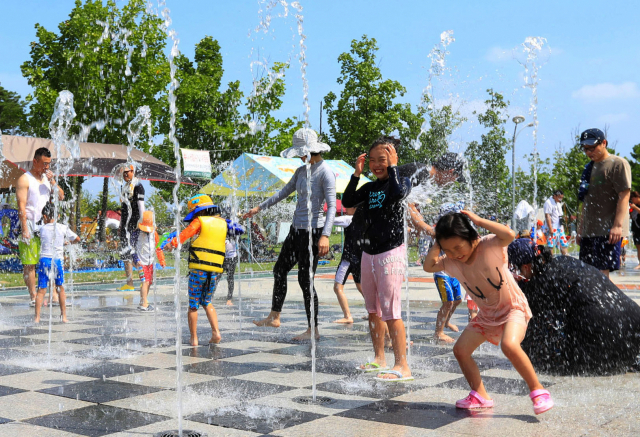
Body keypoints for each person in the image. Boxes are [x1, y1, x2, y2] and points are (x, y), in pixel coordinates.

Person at [423, 211, 553, 415]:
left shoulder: (488, 245)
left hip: (513, 308)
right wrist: (438, 243)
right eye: (448, 250)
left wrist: (478, 221)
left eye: (458, 247)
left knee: (509, 345)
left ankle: (538, 390)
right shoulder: (452, 262)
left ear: (471, 236)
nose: (456, 254)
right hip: (487, 316)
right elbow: (428, 266)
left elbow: (509, 235)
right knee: (460, 350)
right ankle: (480, 394)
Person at [243, 128, 336, 341]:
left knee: (305, 279)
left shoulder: (325, 172)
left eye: (302, 153)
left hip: (314, 232)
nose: (301, 157)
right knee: (279, 270)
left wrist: (326, 235)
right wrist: (259, 208)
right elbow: (282, 193)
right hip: (296, 229)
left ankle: (313, 330)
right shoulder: (302, 171)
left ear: (311, 150)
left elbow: (331, 206)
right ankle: (275, 316)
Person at [507, 238, 640, 375]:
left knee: (548, 365)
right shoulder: (562, 261)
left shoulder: (539, 284)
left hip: (607, 334)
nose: (514, 275)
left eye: (514, 269)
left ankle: (612, 360)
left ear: (525, 267)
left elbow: (526, 328)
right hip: (634, 325)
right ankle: (621, 359)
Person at [343, 136, 413, 382]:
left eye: (381, 159)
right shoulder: (370, 187)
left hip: (390, 253)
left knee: (391, 311)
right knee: (373, 310)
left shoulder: (400, 181)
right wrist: (356, 174)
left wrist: (393, 168)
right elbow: (348, 200)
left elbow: (396, 195)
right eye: (372, 160)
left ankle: (402, 365)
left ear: (392, 159)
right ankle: (379, 358)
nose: (376, 164)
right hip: (368, 253)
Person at [165, 194, 244, 346]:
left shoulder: (198, 222)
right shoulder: (223, 223)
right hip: (215, 271)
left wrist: (171, 244)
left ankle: (194, 338)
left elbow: (184, 235)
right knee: (207, 301)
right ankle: (216, 332)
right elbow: (239, 230)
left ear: (199, 212)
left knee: (193, 305)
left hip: (198, 270)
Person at [577, 128, 631, 278]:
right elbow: (586, 201)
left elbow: (624, 195)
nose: (588, 152)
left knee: (602, 274)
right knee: (588, 273)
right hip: (589, 230)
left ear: (604, 143)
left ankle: (606, 302)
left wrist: (617, 226)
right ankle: (594, 302)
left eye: (592, 148)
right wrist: (581, 229)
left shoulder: (617, 164)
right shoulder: (588, 168)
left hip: (607, 229)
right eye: (585, 149)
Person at [16, 148, 64, 306]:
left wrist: (53, 182)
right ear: (35, 161)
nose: (47, 167)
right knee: (30, 263)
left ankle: (53, 296)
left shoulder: (47, 179)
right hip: (29, 223)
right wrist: (24, 229)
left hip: (46, 226)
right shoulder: (25, 179)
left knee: (49, 260)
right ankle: (33, 296)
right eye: (44, 164)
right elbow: (21, 206)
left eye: (49, 164)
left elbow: (61, 196)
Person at [34, 202, 80, 323]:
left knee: (41, 290)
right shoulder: (62, 227)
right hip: (57, 261)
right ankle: (64, 317)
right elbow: (77, 239)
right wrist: (67, 243)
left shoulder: (41, 228)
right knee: (60, 288)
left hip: (44, 260)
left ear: (44, 216)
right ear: (57, 216)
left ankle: (37, 318)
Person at [329, 206, 365, 324]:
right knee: (362, 288)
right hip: (360, 259)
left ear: (354, 208)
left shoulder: (348, 219)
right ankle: (374, 312)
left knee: (337, 288)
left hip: (347, 260)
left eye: (348, 206)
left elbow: (329, 220)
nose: (345, 209)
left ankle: (347, 316)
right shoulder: (366, 219)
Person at [118, 165, 145, 291]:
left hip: (135, 226)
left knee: (136, 254)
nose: (125, 175)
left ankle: (143, 280)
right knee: (125, 253)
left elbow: (141, 207)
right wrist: (121, 225)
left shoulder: (138, 186)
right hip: (125, 226)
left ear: (133, 172)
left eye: (127, 173)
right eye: (123, 174)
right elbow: (124, 211)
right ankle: (129, 283)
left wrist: (140, 223)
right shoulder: (124, 187)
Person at [135, 210, 166, 311]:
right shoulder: (136, 233)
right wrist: (135, 259)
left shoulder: (154, 233)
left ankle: (142, 301)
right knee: (145, 281)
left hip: (150, 262)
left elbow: (158, 247)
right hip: (140, 262)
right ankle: (144, 303)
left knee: (149, 282)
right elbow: (130, 247)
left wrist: (161, 260)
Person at [543, 190, 568, 255]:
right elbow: (547, 215)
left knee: (564, 244)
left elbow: (560, 216)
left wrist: (562, 226)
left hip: (559, 227)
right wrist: (550, 228)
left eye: (562, 197)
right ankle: (551, 261)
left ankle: (566, 260)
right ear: (554, 196)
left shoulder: (558, 203)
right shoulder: (548, 202)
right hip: (551, 227)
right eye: (559, 197)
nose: (561, 199)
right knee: (550, 245)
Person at [221, 236, 238, 306]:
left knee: (230, 278)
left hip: (232, 258)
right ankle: (210, 296)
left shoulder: (233, 231)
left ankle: (229, 299)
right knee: (216, 277)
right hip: (222, 258)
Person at [629, 191, 640, 269]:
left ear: (636, 197)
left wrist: (635, 207)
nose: (632, 201)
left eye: (632, 199)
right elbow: (631, 217)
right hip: (635, 229)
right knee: (638, 246)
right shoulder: (634, 205)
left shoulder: (636, 206)